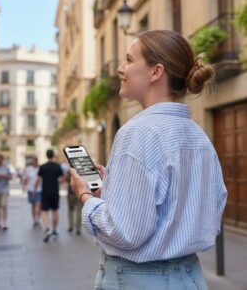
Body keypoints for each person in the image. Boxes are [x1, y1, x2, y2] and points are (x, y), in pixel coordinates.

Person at [70, 30, 228, 289]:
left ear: (156, 72)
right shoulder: (198, 136)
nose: (121, 68)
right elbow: (212, 204)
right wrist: (115, 185)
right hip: (190, 276)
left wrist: (84, 196)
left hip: (139, 279)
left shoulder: (137, 132)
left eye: (129, 60)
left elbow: (125, 232)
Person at [34, 149, 63, 242]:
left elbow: (38, 180)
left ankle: (47, 228)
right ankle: (54, 230)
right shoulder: (58, 166)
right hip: (55, 191)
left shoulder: (42, 167)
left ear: (46, 156)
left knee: (44, 211)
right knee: (55, 211)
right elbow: (62, 180)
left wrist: (35, 190)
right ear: (53, 155)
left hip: (45, 192)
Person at [23, 156, 41, 227]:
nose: (34, 163)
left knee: (38, 205)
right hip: (30, 189)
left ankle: (38, 218)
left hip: (39, 190)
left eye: (35, 161)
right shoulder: (28, 169)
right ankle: (34, 219)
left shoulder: (40, 169)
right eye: (33, 161)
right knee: (33, 205)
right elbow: (26, 178)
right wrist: (24, 186)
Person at [66, 170, 82, 235]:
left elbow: (67, 180)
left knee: (70, 210)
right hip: (79, 193)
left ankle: (70, 226)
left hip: (71, 193)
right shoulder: (81, 171)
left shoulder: (69, 171)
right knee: (79, 211)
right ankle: (78, 229)